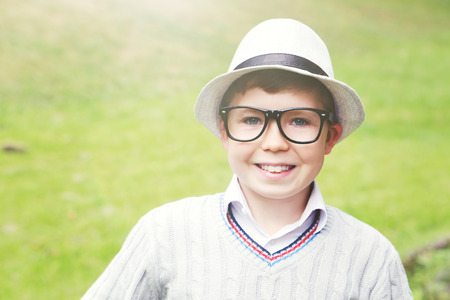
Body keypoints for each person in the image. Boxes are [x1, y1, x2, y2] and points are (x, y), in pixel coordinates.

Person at [82, 18, 412, 299]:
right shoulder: (165, 234)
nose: (274, 143)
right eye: (252, 120)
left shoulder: (370, 256)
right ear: (224, 131)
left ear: (330, 137)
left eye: (299, 121)